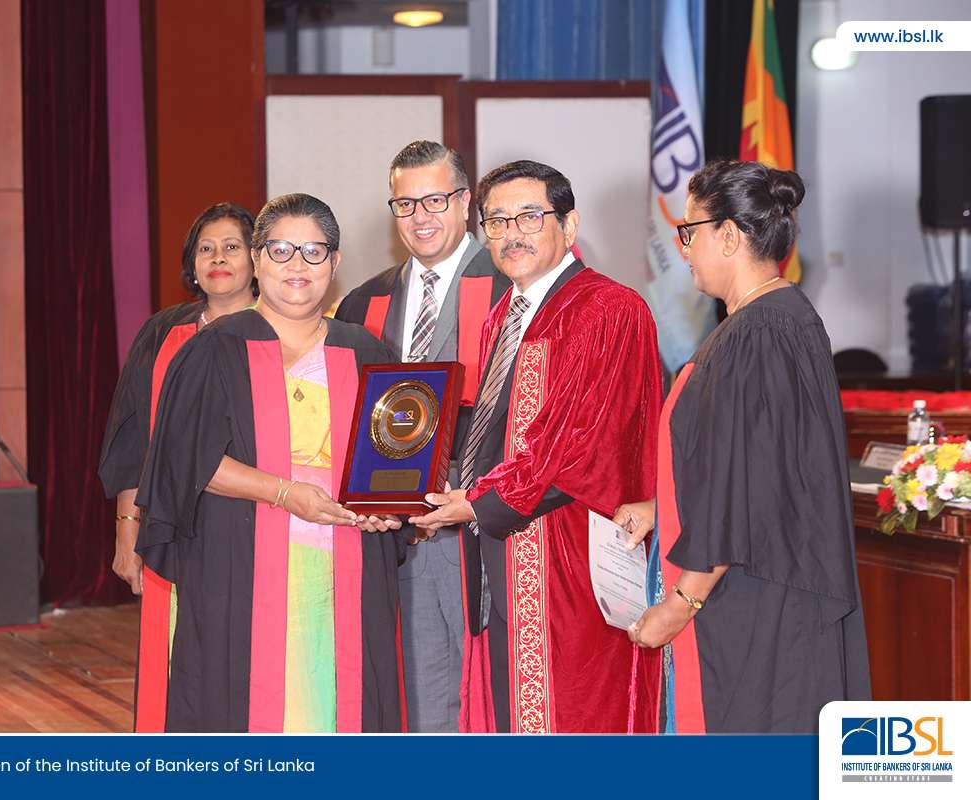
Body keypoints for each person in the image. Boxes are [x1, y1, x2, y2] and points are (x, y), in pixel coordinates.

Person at [614, 159, 871, 733]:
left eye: (689, 231)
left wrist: (680, 604)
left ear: (728, 235)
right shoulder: (769, 320)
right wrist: (663, 509)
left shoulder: (761, 332)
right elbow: (750, 464)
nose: (682, 249)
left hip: (757, 600)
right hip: (759, 582)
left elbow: (746, 491)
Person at [134, 193, 405, 732]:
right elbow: (186, 462)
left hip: (345, 569)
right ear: (257, 260)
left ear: (334, 261)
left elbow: (390, 462)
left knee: (342, 704)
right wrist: (285, 493)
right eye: (281, 250)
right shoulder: (213, 350)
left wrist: (387, 509)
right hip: (238, 565)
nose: (297, 265)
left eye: (313, 251)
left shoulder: (365, 351)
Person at [411, 160, 663, 733]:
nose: (511, 234)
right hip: (506, 545)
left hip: (570, 552)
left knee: (572, 714)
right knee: (512, 715)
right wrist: (454, 487)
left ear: (569, 226)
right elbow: (498, 431)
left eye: (529, 216)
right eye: (496, 221)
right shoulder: (506, 313)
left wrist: (477, 502)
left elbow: (581, 442)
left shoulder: (606, 308)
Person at [335, 140, 509, 732]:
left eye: (435, 200)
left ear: (465, 202)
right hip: (395, 529)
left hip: (482, 520)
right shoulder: (365, 301)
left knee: (486, 683)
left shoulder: (511, 286)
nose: (420, 217)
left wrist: (476, 496)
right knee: (416, 681)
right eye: (405, 204)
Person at [98, 202, 257, 731]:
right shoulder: (162, 332)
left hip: (258, 521)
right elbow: (131, 441)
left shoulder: (280, 328)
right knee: (175, 665)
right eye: (206, 249)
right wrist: (127, 531)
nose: (218, 259)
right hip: (170, 525)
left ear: (257, 258)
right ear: (192, 264)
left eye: (231, 247)